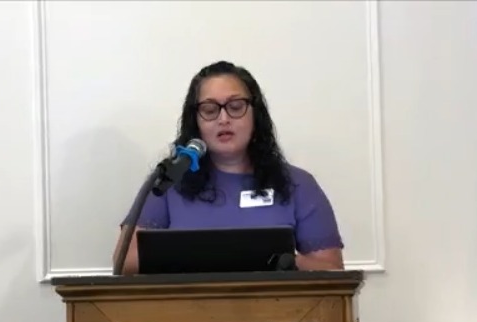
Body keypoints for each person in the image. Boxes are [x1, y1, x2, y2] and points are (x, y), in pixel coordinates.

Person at [113, 60, 344, 274]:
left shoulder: (298, 184)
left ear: (256, 115)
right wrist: (208, 254)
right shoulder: (169, 182)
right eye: (210, 110)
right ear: (196, 121)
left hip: (275, 304)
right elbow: (124, 262)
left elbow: (331, 272)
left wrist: (280, 259)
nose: (223, 119)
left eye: (235, 106)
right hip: (189, 305)